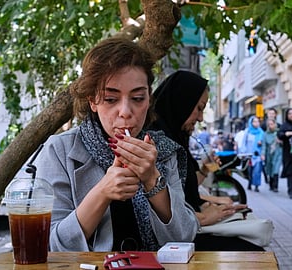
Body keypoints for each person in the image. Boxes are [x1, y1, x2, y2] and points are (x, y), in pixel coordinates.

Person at [34, 37, 198, 252]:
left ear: (149, 99)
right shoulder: (61, 150)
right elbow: (51, 246)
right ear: (92, 101)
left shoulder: (162, 150)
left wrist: (151, 179)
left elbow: (184, 237)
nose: (125, 111)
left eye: (138, 98)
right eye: (111, 99)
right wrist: (102, 192)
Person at [148, 70, 264, 251]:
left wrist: (204, 172)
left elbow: (183, 189)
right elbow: (164, 209)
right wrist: (203, 215)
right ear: (182, 102)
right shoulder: (156, 141)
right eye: (199, 108)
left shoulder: (176, 137)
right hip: (175, 241)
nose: (201, 117)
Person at [238, 116, 264, 192]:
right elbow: (244, 143)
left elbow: (264, 143)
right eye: (254, 122)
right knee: (249, 171)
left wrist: (261, 143)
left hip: (258, 154)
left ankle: (256, 186)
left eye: (258, 122)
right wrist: (243, 152)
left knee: (257, 171)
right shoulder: (247, 131)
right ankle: (249, 183)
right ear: (251, 123)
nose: (256, 123)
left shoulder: (261, 132)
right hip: (249, 155)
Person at [261, 118, 282, 192]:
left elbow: (284, 142)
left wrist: (280, 141)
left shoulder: (279, 132)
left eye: (272, 124)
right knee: (270, 169)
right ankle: (271, 184)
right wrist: (263, 154)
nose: (270, 126)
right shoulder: (265, 134)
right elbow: (264, 145)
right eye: (269, 124)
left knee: (276, 169)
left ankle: (275, 186)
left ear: (275, 124)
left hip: (278, 153)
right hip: (269, 154)